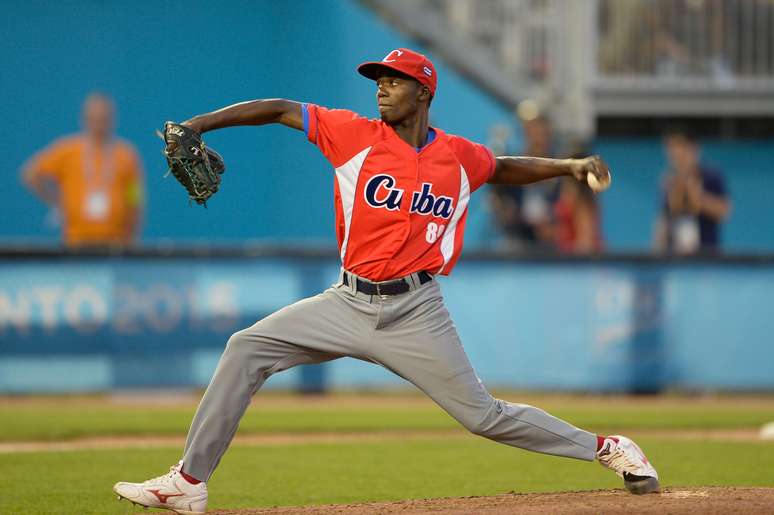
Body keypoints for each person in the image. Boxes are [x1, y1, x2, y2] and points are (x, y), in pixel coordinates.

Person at [113, 48, 658, 515]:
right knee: (245, 349)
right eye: (379, 81)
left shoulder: (458, 156)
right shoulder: (353, 134)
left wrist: (567, 167)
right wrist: (199, 124)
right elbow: (280, 109)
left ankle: (609, 447)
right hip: (346, 301)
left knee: (483, 416)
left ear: (423, 93)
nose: (382, 89)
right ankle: (188, 483)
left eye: (394, 81)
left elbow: (503, 166)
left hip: (417, 310)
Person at [22, 93, 144, 248]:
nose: (99, 124)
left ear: (112, 120)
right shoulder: (67, 150)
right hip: (75, 241)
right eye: (94, 119)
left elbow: (135, 198)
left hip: (115, 242)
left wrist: (132, 237)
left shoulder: (127, 155)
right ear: (84, 119)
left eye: (103, 119)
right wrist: (58, 202)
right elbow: (31, 174)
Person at [489, 114, 559, 251]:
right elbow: (501, 201)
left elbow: (566, 204)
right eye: (532, 134)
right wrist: (506, 211)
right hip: (518, 235)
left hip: (550, 238)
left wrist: (553, 227)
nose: (537, 139)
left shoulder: (560, 168)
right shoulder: (514, 165)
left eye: (541, 134)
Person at [654, 128, 731, 254]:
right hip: (674, 257)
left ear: (693, 148)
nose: (674, 153)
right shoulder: (668, 179)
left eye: (679, 147)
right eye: (670, 148)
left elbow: (724, 210)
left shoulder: (711, 176)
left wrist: (694, 193)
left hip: (706, 256)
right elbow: (664, 218)